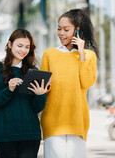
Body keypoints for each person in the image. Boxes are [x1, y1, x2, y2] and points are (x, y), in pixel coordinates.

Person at [40, 9, 99, 158]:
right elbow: (42, 88)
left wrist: (80, 54)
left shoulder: (88, 56)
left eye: (66, 29)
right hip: (52, 120)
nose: (61, 33)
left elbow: (86, 83)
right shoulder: (49, 54)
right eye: (59, 29)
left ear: (77, 30)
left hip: (77, 119)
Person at [0, 28, 50, 158]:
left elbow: (37, 107)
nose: (23, 50)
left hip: (30, 134)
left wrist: (41, 94)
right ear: (9, 44)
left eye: (27, 47)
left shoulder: (33, 71)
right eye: (19, 45)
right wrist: (9, 90)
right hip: (5, 135)